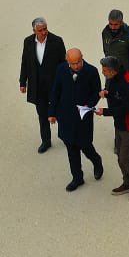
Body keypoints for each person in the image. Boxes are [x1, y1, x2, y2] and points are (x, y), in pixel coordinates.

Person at [48, 48, 104, 191]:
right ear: (67, 61)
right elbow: (56, 90)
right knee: (71, 148)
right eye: (73, 63)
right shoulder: (61, 69)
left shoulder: (91, 71)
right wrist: (52, 112)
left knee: (85, 145)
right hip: (65, 116)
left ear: (82, 58)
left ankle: (96, 161)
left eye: (78, 62)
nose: (76, 66)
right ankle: (77, 178)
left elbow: (96, 93)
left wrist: (87, 105)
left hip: (83, 117)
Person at [96, 56, 129, 200]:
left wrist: (104, 112)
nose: (103, 73)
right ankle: (127, 182)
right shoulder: (112, 78)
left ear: (113, 70)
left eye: (105, 70)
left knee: (126, 157)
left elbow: (125, 108)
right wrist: (107, 93)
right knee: (119, 155)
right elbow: (116, 95)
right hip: (120, 124)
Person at [20, 17, 66, 153]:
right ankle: (46, 141)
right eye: (40, 30)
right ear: (34, 30)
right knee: (42, 114)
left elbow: (63, 63)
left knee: (60, 110)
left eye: (45, 28)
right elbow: (25, 62)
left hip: (54, 84)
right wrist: (23, 82)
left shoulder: (57, 41)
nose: (44, 32)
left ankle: (64, 135)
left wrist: (65, 82)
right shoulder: (28, 42)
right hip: (37, 85)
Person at [102, 9, 129, 76]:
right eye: (110, 24)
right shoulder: (105, 33)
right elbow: (106, 51)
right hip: (110, 74)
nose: (112, 27)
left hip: (126, 75)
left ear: (121, 22)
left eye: (116, 24)